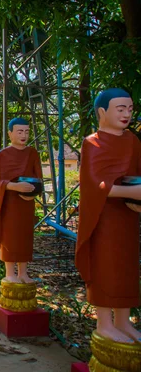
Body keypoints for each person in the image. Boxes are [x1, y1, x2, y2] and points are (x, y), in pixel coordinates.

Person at [76, 88, 141, 343]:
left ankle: (123, 322)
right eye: (120, 109)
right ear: (102, 112)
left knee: (126, 266)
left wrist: (137, 197)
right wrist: (133, 191)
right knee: (105, 265)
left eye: (129, 109)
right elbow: (93, 184)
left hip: (128, 216)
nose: (126, 114)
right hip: (102, 219)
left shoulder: (133, 141)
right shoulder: (92, 142)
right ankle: (104, 323)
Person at [0, 118, 42, 284]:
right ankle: (10, 272)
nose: (24, 135)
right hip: (10, 203)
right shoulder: (3, 154)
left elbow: (38, 177)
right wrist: (14, 186)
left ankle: (23, 272)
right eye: (20, 131)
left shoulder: (32, 153)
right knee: (10, 236)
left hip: (27, 202)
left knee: (25, 236)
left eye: (27, 132)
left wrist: (33, 192)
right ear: (10, 133)